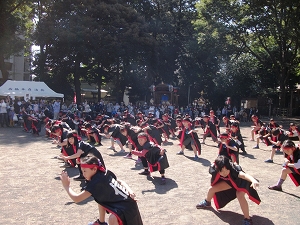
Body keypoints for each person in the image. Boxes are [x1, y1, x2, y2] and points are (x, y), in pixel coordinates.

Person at [60, 154, 143, 225]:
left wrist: (67, 186)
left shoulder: (96, 183)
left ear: (94, 169)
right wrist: (130, 191)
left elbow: (77, 198)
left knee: (112, 218)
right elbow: (120, 182)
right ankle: (101, 222)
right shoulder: (104, 172)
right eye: (82, 171)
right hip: (128, 204)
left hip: (126, 209)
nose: (83, 174)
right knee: (100, 196)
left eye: (85, 171)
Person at [196, 155, 260, 225]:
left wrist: (253, 180)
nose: (225, 173)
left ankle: (247, 219)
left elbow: (244, 175)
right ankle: (207, 202)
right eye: (222, 171)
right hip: (230, 182)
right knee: (211, 189)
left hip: (240, 182)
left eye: (226, 170)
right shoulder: (213, 169)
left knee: (239, 195)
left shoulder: (234, 169)